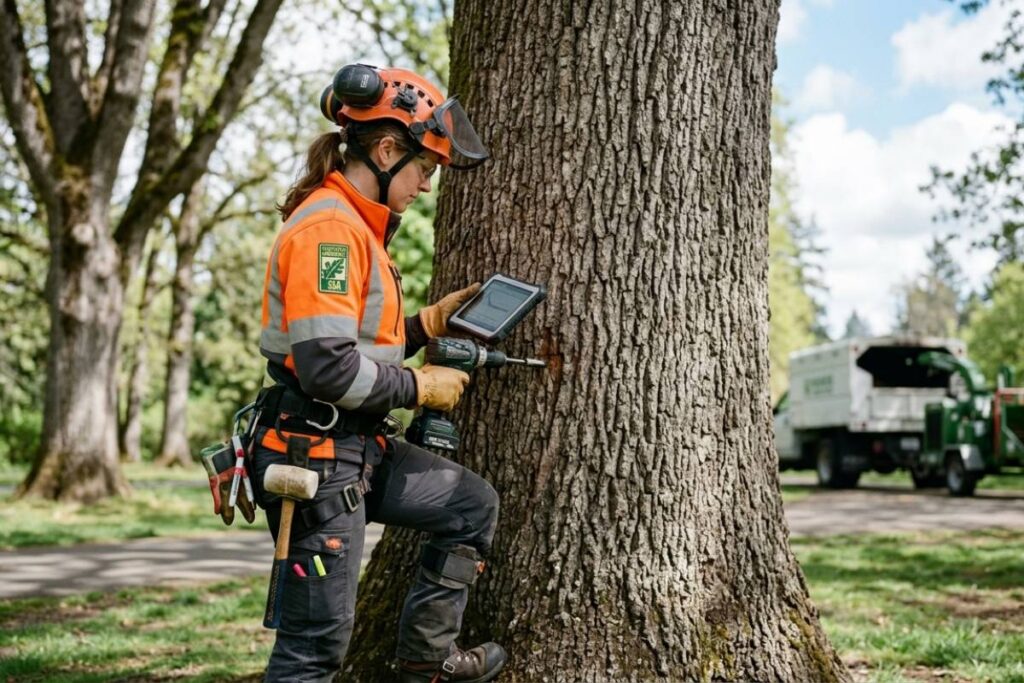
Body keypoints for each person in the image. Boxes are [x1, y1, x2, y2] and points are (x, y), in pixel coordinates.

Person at [250, 64, 506, 682]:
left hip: (356, 446)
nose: (425, 185)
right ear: (388, 149)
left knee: (470, 506)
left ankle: (425, 661)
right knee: (314, 649)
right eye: (425, 168)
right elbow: (326, 367)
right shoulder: (331, 232)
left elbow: (355, 342)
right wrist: (423, 385)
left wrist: (425, 326)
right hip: (314, 456)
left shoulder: (358, 228)